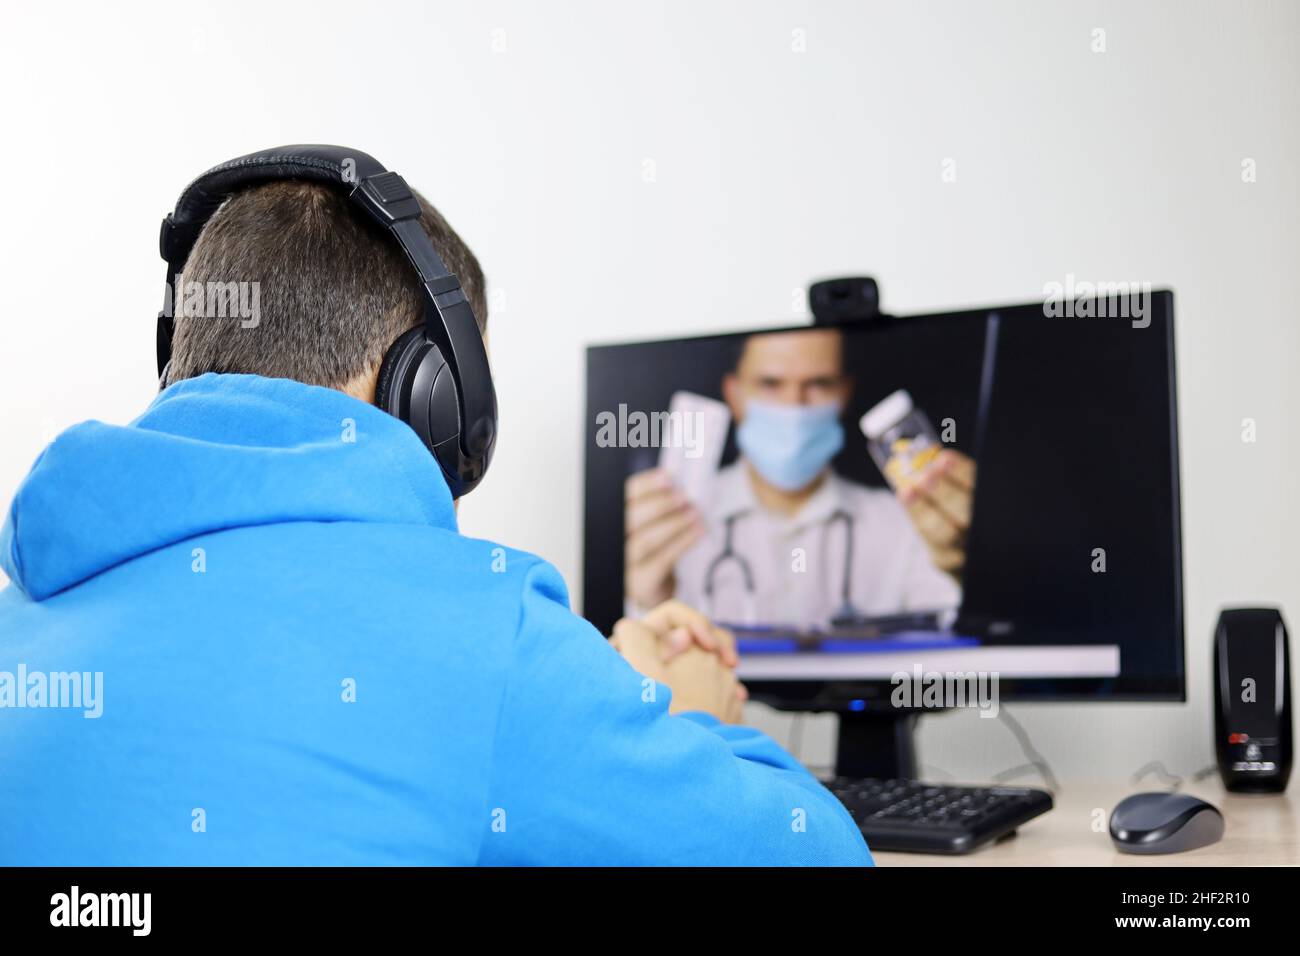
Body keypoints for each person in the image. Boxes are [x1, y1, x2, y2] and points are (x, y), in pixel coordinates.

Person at [0, 155, 871, 866]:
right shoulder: (489, 640)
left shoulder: (21, 624)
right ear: (430, 394)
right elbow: (823, 858)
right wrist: (682, 712)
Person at [624, 328, 975, 630]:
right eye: (771, 384)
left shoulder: (909, 524)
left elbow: (965, 650)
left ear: (844, 393)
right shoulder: (665, 521)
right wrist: (648, 603)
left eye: (819, 384)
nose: (794, 405)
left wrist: (975, 564)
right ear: (734, 393)